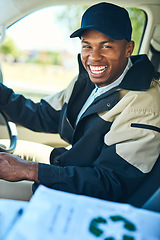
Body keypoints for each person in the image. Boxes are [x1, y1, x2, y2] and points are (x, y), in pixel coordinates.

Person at [0, 2, 160, 205]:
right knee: (14, 150)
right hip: (71, 170)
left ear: (129, 49)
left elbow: (111, 183)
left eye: (106, 46)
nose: (94, 57)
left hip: (88, 199)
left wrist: (30, 170)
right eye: (87, 46)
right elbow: (42, 115)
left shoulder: (142, 103)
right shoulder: (86, 82)